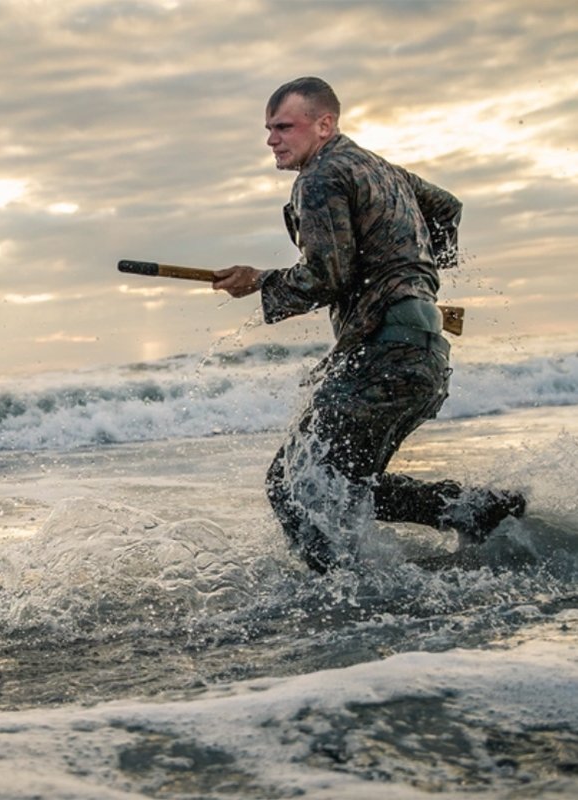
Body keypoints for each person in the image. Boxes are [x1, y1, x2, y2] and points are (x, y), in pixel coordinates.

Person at [212, 77, 524, 573]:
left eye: (284, 127)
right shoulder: (379, 169)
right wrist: (411, 275)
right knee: (350, 486)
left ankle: (339, 596)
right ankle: (479, 509)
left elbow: (325, 276)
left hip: (386, 353)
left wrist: (260, 281)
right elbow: (447, 207)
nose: (272, 139)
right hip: (422, 352)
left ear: (324, 124)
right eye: (268, 129)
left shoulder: (319, 178)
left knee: (295, 483)